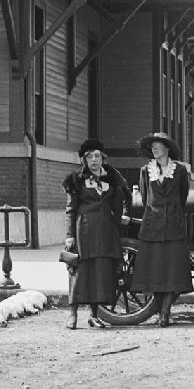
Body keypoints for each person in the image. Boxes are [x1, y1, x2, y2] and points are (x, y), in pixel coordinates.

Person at [62, 138, 129, 330]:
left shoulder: (112, 178)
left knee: (100, 273)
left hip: (106, 232)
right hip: (84, 231)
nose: (94, 160)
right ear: (84, 160)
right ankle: (73, 314)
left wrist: (122, 218)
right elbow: (70, 209)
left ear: (102, 158)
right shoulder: (76, 180)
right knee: (80, 272)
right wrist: (69, 235)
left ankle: (94, 315)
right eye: (90, 157)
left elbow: (120, 203)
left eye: (97, 156)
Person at [133, 131, 194, 327]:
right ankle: (161, 310)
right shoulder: (145, 170)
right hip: (152, 228)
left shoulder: (180, 171)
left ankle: (165, 312)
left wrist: (171, 214)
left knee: (173, 272)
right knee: (156, 271)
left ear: (167, 148)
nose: (154, 148)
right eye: (152, 145)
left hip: (174, 228)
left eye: (158, 144)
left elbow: (183, 196)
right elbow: (144, 198)